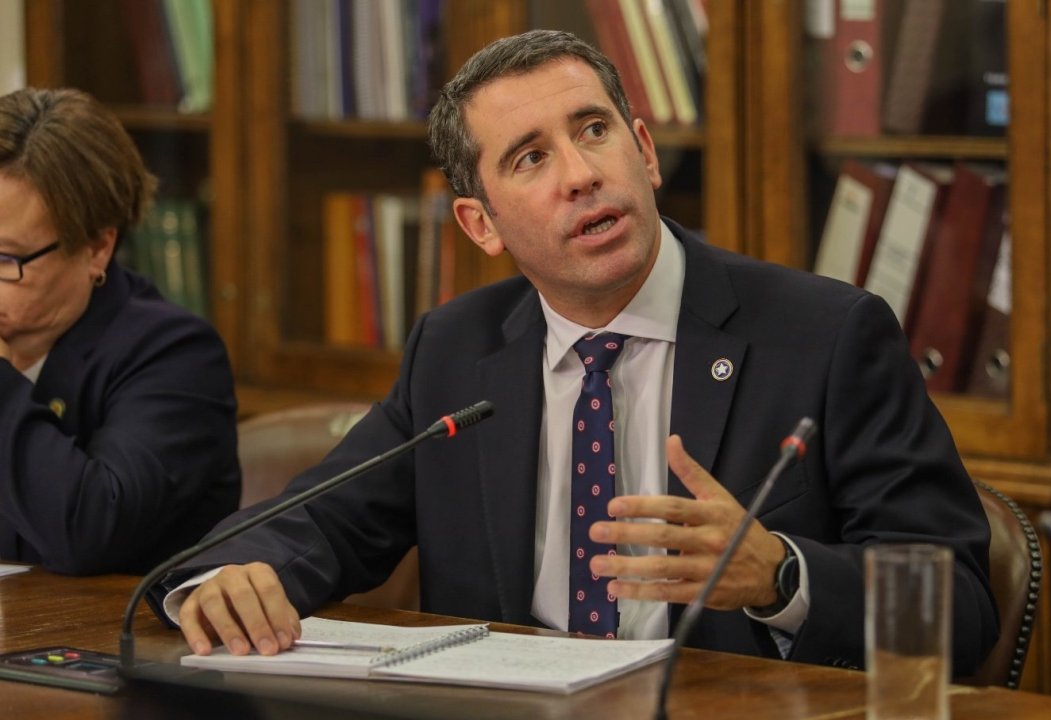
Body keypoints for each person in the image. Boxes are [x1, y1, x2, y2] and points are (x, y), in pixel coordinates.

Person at [163, 30, 998, 674]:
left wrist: (782, 576)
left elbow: (960, 608)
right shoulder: (456, 350)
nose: (580, 174)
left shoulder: (825, 337)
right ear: (480, 224)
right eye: (531, 157)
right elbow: (322, 520)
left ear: (645, 150)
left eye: (594, 130)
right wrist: (231, 576)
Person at [0, 88, 241, 575]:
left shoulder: (176, 355)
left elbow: (89, 531)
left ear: (97, 249)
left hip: (111, 624)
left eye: (6, 258)